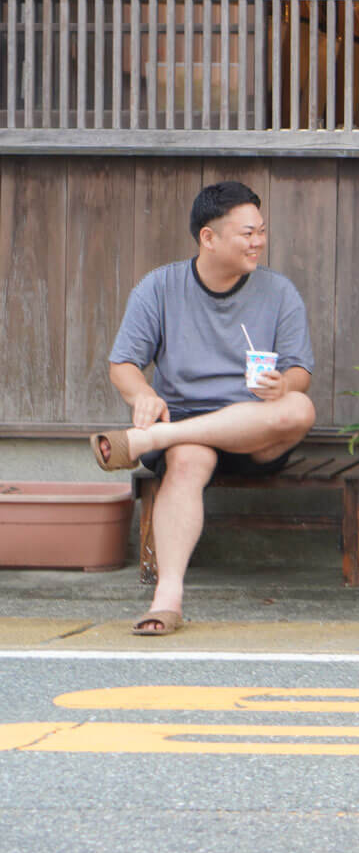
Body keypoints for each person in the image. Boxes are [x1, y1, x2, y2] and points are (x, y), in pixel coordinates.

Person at [90, 181, 316, 635]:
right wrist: (144, 396)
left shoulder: (279, 292)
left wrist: (281, 384)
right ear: (208, 238)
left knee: (300, 408)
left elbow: (299, 372)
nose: (258, 242)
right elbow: (123, 365)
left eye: (261, 231)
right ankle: (167, 599)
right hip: (187, 424)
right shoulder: (160, 287)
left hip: (254, 428)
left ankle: (151, 440)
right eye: (246, 233)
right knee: (189, 459)